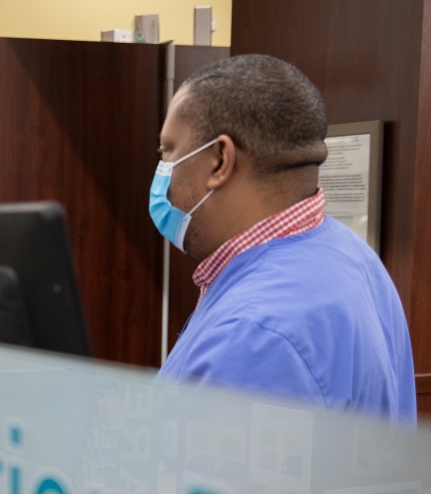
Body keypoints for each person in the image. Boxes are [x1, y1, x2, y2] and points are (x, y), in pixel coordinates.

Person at [153, 54, 416, 423]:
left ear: (219, 160)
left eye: (167, 150)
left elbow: (201, 478)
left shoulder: (252, 335)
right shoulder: (353, 256)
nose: (162, 168)